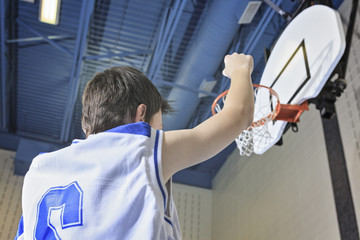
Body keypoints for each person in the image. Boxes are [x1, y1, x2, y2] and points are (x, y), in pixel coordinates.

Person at [15, 53, 254, 240]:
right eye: (159, 123)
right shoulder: (138, 147)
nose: (160, 133)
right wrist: (240, 69)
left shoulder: (39, 171)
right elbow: (238, 115)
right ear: (142, 115)